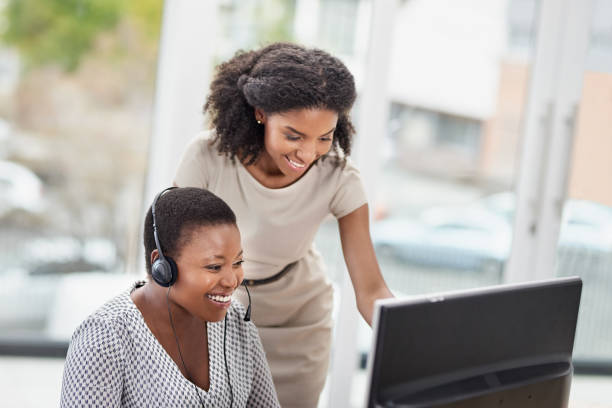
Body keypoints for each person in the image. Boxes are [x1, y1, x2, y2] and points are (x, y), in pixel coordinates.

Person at [174, 42, 393, 407]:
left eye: (324, 137)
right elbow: (171, 256)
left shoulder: (339, 177)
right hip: (216, 308)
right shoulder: (207, 157)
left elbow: (371, 291)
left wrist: (421, 352)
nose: (308, 154)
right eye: (294, 136)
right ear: (261, 113)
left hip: (299, 321)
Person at [60, 187, 280, 407]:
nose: (232, 280)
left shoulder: (237, 322)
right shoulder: (104, 339)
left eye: (238, 263)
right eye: (214, 266)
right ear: (162, 265)